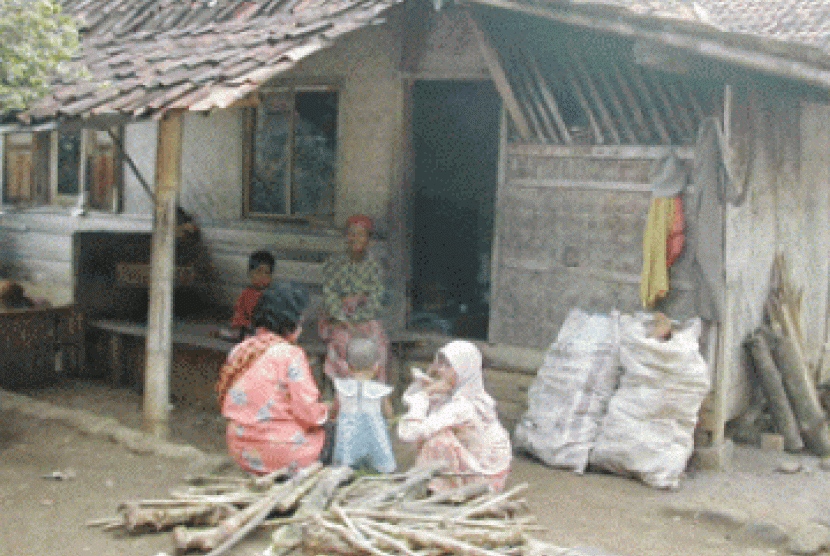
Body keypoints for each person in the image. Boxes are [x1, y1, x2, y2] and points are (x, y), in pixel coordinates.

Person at [216, 283, 329, 474]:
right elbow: (309, 412)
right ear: (291, 322)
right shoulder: (290, 355)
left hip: (241, 450)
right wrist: (327, 410)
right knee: (334, 432)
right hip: (283, 453)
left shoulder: (240, 350)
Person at [397, 340, 512, 493]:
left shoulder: (463, 405)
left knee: (436, 440)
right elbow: (409, 400)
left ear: (463, 370)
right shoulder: (469, 392)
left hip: (486, 477)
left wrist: (424, 394)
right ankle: (445, 482)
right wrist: (427, 387)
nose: (441, 370)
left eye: (448, 366)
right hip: (485, 466)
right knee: (434, 431)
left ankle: (445, 487)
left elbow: (410, 433)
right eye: (440, 364)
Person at [319, 214, 389, 381]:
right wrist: (343, 317)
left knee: (380, 346)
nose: (356, 238)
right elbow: (329, 295)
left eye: (361, 234)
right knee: (343, 346)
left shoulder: (374, 268)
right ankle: (343, 391)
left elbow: (375, 302)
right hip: (339, 320)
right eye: (352, 234)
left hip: (365, 320)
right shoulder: (334, 264)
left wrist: (358, 317)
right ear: (346, 236)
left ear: (368, 239)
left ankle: (376, 391)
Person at [331, 337, 396, 473]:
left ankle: (346, 468)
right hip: (374, 436)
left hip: (348, 436)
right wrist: (390, 420)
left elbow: (334, 410)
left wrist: (333, 417)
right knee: (378, 456)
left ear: (348, 366)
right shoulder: (379, 390)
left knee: (347, 458)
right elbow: (389, 413)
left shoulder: (342, 388)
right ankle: (380, 469)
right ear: (376, 366)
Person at [218, 250, 275, 342]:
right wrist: (243, 323)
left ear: (271, 276)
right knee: (228, 331)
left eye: (267, 273)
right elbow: (239, 312)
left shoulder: (272, 295)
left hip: (264, 330)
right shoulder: (246, 294)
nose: (262, 276)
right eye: (259, 272)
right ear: (250, 274)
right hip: (247, 329)